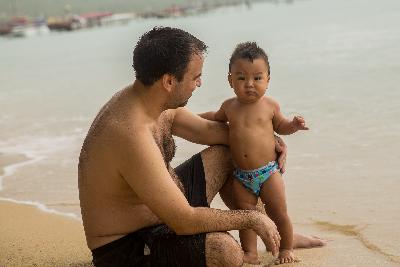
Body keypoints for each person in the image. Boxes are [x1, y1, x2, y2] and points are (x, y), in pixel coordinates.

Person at [78, 27, 323, 267]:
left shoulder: (152, 100)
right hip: (128, 245)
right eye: (195, 77)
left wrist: (270, 144)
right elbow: (184, 220)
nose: (200, 83)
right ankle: (263, 226)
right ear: (169, 81)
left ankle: (278, 235)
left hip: (165, 208)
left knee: (229, 153)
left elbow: (213, 132)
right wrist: (252, 219)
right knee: (226, 252)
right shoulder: (130, 133)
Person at [199, 42, 309, 265]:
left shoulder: (270, 106)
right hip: (241, 176)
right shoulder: (229, 106)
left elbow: (282, 126)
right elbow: (215, 117)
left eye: (257, 78)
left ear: (268, 80)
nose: (249, 84)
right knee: (247, 217)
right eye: (241, 78)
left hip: (268, 173)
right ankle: (250, 253)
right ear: (230, 80)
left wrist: (294, 125)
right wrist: (194, 117)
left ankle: (286, 247)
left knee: (279, 213)